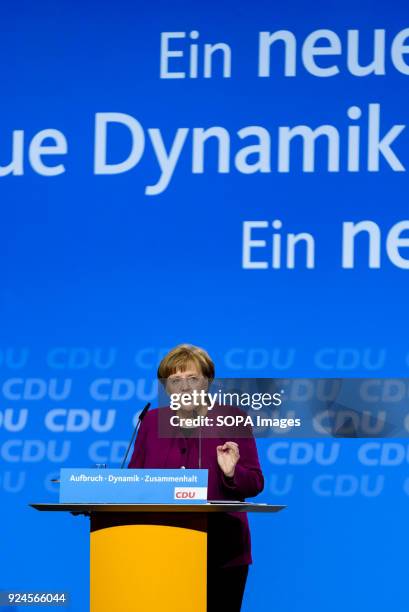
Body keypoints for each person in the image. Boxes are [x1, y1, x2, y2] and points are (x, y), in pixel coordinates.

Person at [128, 343, 264, 612]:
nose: (184, 387)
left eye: (193, 379)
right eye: (175, 380)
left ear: (208, 382)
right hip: (162, 547)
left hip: (223, 550)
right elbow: (134, 481)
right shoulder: (152, 422)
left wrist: (231, 472)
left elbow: (256, 483)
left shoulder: (232, 418)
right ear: (166, 387)